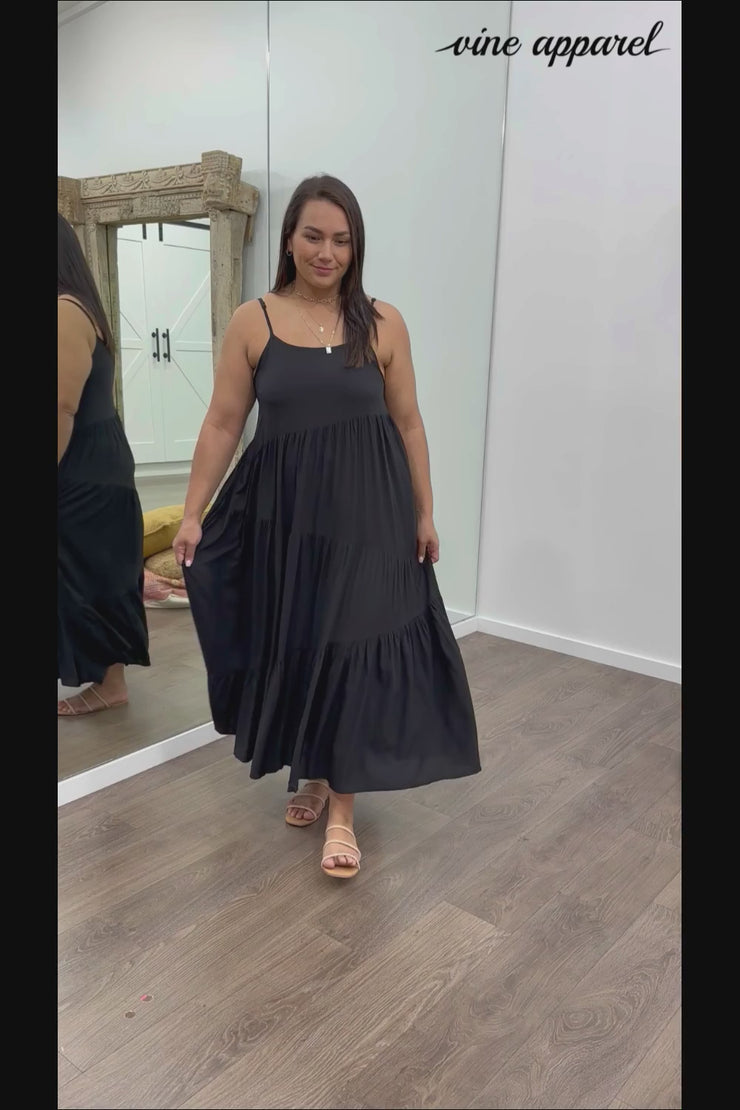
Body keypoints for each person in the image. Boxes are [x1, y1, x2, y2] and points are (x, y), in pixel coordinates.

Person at [174, 175, 480, 878]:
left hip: (372, 517)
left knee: (351, 649)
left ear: (356, 247)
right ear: (289, 239)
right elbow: (223, 423)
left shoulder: (383, 322)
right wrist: (191, 513)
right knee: (305, 642)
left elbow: (409, 422)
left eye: (342, 240)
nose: (327, 252)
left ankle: (342, 807)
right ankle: (312, 770)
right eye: (314, 236)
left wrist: (425, 510)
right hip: (286, 520)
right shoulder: (254, 321)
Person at [58, 214, 150, 715]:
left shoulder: (64, 312)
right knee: (94, 572)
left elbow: (60, 408)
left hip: (82, 467)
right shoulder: (80, 308)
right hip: (96, 463)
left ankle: (110, 685)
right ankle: (108, 682)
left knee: (88, 574)